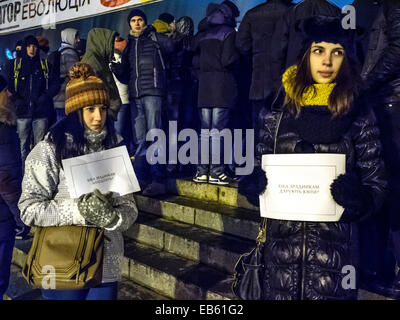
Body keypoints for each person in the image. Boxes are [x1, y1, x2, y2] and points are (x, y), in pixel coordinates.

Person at [239, 16, 387, 300]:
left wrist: (360, 199)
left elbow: (376, 183)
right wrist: (254, 187)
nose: (327, 61)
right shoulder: (276, 114)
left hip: (334, 264)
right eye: (319, 51)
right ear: (306, 55)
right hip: (280, 261)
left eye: (337, 52)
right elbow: (261, 170)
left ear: (347, 59)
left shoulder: (359, 113)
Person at [18, 62, 138, 300]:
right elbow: (29, 209)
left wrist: (114, 218)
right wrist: (79, 210)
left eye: (103, 109)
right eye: (90, 109)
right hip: (62, 262)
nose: (98, 117)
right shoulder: (49, 150)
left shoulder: (115, 146)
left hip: (106, 264)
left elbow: (129, 207)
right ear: (75, 112)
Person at [357, 0, 400, 298]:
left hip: (391, 101)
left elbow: (397, 49)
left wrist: (362, 84)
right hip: (386, 99)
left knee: (393, 187)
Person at [111, 8, 174, 196]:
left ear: (144, 22)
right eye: (133, 20)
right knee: (139, 138)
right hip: (135, 94)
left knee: (155, 134)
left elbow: (173, 47)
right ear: (129, 24)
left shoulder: (153, 38)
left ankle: (158, 178)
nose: (137, 23)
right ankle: (141, 177)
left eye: (140, 20)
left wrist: (162, 34)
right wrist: (117, 69)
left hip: (153, 91)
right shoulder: (129, 44)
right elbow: (126, 74)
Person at [192, 1, 240, 185]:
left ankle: (201, 171)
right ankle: (217, 172)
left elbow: (194, 58)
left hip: (204, 88)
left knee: (205, 132)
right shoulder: (229, 33)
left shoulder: (204, 34)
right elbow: (228, 59)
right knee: (218, 132)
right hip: (222, 88)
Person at [236, 0, 294, 148]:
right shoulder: (293, 12)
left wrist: (256, 57)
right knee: (288, 128)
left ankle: (258, 162)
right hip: (287, 79)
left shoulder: (252, 14)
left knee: (259, 127)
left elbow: (241, 44)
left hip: (259, 80)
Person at [6, 35, 59, 165]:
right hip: (22, 112)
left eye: (34, 46)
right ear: (25, 47)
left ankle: (37, 175)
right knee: (22, 147)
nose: (32, 49)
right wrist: (16, 99)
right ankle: (24, 177)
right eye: (29, 46)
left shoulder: (44, 65)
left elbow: (54, 84)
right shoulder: (14, 65)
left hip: (40, 112)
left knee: (39, 147)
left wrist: (44, 98)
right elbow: (6, 84)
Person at [0, 75, 29, 300]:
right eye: (5, 90)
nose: (9, 94)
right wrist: (22, 218)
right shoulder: (2, 128)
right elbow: (6, 177)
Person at [82, 28, 121, 121]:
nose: (112, 46)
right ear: (101, 42)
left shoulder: (100, 60)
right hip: (102, 115)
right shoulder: (92, 62)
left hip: (105, 113)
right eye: (111, 42)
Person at [52, 28, 81, 123]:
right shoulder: (70, 54)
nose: (78, 40)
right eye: (76, 37)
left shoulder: (61, 51)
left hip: (58, 97)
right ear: (69, 38)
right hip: (66, 99)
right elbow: (76, 75)